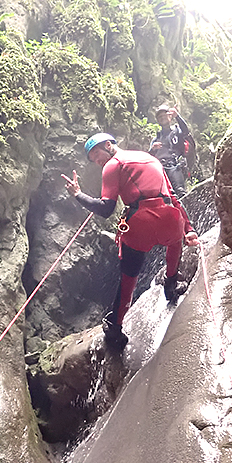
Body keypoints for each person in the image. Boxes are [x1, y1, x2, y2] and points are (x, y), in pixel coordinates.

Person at [62, 133, 199, 350]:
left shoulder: (112, 166)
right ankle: (171, 285)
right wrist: (189, 229)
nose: (97, 161)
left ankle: (115, 328)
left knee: (128, 279)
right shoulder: (150, 158)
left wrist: (78, 194)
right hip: (170, 218)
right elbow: (172, 196)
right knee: (174, 244)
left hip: (140, 223)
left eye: (97, 154)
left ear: (108, 145)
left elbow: (106, 208)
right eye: (93, 159)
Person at [148, 105, 194, 200]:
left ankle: (187, 212)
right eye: (159, 117)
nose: (162, 118)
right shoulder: (156, 139)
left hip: (175, 165)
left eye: (164, 115)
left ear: (169, 116)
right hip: (160, 169)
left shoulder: (177, 130)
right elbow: (148, 158)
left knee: (180, 191)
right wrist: (152, 150)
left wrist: (177, 116)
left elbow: (186, 131)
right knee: (162, 196)